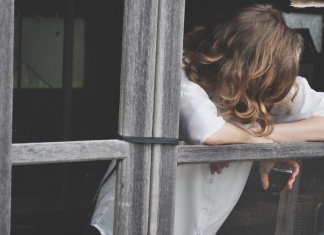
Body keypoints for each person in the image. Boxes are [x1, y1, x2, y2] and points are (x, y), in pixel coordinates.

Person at [90, 4, 324, 235]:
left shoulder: (274, 83)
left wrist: (270, 138)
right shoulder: (179, 71)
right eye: (257, 88)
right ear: (240, 69)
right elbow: (210, 134)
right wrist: (259, 144)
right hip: (127, 221)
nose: (264, 102)